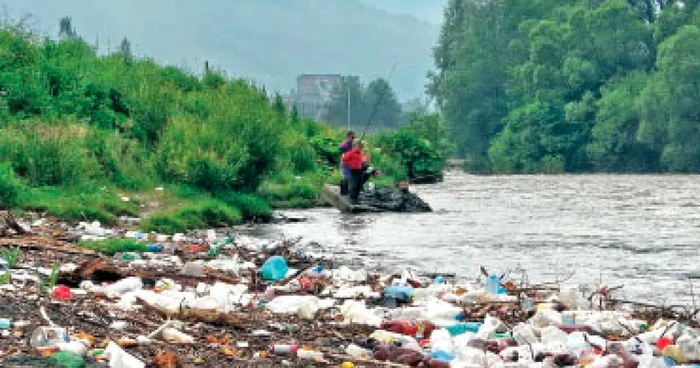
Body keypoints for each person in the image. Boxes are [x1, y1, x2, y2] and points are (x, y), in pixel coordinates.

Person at [338, 131, 355, 195]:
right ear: (348, 137)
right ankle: (343, 191)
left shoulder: (352, 143)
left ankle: (346, 191)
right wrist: (346, 154)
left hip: (350, 162)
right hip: (345, 162)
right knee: (345, 176)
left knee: (349, 176)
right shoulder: (346, 143)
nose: (353, 139)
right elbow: (340, 148)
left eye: (354, 137)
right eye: (352, 137)